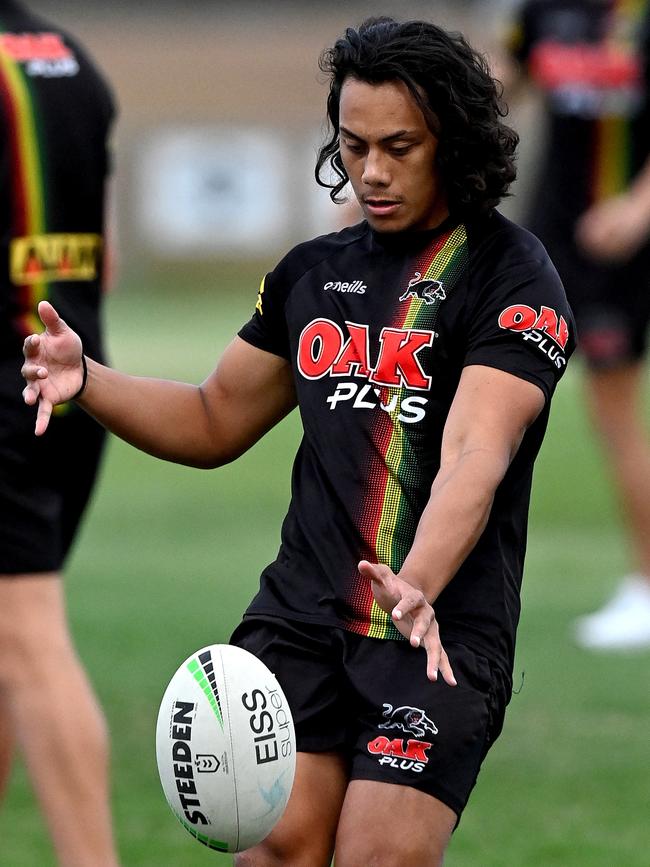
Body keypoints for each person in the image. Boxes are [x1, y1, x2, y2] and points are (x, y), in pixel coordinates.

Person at [22, 17, 575, 866]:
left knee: (375, 855)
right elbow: (213, 419)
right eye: (354, 145)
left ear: (453, 141)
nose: (374, 171)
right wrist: (88, 379)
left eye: (401, 145)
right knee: (278, 845)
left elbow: (476, 451)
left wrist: (418, 581)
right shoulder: (312, 273)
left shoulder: (513, 274)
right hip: (301, 620)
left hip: (435, 629)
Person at [0, 1, 120, 864]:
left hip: (6, 388)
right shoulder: (74, 60)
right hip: (75, 378)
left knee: (28, 643)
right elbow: (101, 256)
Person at [504, 0, 650, 651]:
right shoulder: (544, 9)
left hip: (620, 246)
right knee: (489, 397)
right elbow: (501, 84)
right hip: (546, 237)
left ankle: (646, 588)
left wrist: (640, 205)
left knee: (614, 413)